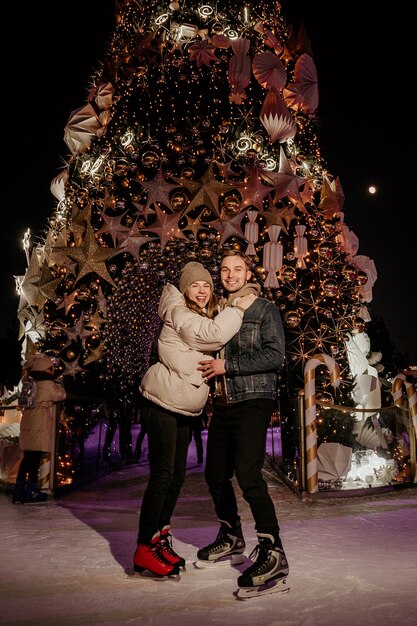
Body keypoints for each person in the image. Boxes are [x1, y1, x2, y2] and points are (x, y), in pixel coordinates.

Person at [133, 261, 256, 578]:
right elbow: (213, 336)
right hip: (162, 401)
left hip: (183, 406)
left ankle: (159, 540)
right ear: (184, 289)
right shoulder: (178, 312)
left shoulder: (198, 313)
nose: (201, 291)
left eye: (206, 286)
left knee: (175, 478)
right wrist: (239, 308)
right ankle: (144, 547)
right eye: (194, 286)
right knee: (161, 476)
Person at [196, 249, 289, 598]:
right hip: (223, 403)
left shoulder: (264, 309)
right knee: (214, 473)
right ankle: (231, 535)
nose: (230, 275)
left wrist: (227, 367)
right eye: (224, 269)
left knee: (248, 475)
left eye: (237, 269)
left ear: (248, 273)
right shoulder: (219, 311)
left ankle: (273, 551)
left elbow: (274, 354)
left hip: (253, 399)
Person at [12, 352, 66, 504]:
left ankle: (18, 490)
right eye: (50, 368)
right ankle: (31, 491)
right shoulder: (48, 384)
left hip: (28, 422)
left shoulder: (28, 382)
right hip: (39, 424)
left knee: (27, 458)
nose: (52, 370)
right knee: (34, 459)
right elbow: (60, 396)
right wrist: (60, 384)